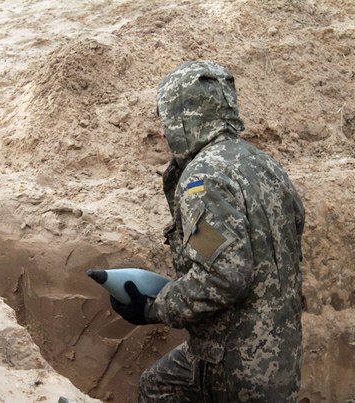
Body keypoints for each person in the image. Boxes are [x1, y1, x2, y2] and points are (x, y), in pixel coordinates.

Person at [110, 60, 305, 402]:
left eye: (168, 120)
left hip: (234, 364)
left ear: (187, 119)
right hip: (279, 352)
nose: (163, 133)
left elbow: (224, 276)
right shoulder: (263, 163)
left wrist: (153, 307)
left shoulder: (204, 178)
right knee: (158, 386)